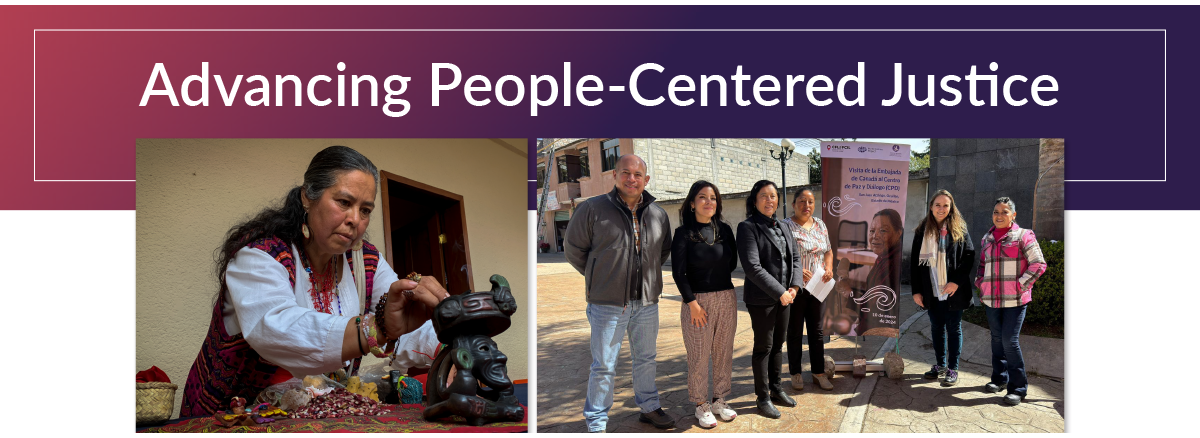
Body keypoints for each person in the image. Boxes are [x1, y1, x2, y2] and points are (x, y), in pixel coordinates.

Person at [180, 145, 450, 416]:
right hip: (231, 416)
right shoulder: (260, 255)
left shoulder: (367, 262)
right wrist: (374, 329)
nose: (355, 220)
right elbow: (276, 329)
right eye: (344, 202)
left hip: (308, 414)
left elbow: (400, 320)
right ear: (307, 197)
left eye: (365, 210)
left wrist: (451, 341)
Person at [564, 154, 675, 432]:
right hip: (608, 304)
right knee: (604, 365)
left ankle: (649, 407)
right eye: (625, 173)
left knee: (646, 358)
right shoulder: (592, 209)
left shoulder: (658, 214)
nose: (631, 179)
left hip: (647, 303)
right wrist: (600, 276)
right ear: (615, 175)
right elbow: (574, 250)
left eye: (638, 175)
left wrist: (643, 277)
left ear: (646, 180)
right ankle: (597, 421)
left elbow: (662, 252)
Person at [670, 181, 738, 428]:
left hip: (727, 298)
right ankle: (701, 404)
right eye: (702, 197)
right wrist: (692, 303)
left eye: (713, 197)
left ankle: (720, 400)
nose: (709, 202)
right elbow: (679, 273)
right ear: (692, 203)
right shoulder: (683, 234)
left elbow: (731, 264)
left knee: (723, 352)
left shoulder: (725, 230)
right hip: (697, 302)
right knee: (698, 355)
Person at [737, 180, 802, 419]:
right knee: (763, 347)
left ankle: (776, 389)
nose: (769, 200)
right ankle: (762, 397)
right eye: (764, 196)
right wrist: (780, 292)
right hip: (762, 299)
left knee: (778, 345)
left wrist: (794, 287)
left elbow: (795, 257)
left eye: (773, 196)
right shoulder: (747, 227)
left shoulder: (784, 226)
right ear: (754, 200)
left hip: (786, 297)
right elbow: (752, 267)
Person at [975, 197, 1046, 406]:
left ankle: (1018, 388)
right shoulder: (986, 238)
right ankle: (999, 379)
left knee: (1009, 341)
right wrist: (980, 282)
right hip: (991, 299)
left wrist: (1021, 284)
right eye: (996, 211)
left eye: (1004, 212)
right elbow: (981, 265)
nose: (999, 215)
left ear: (1013, 215)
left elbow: (1038, 264)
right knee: (996, 339)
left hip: (1015, 300)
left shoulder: (1024, 236)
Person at [909, 190, 975, 387]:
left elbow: (969, 256)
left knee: (953, 328)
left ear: (951, 208)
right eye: (937, 205)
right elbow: (914, 263)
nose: (941, 209)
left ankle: (953, 368)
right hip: (932, 290)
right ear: (931, 207)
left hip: (953, 290)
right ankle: (940, 365)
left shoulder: (959, 229)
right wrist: (916, 291)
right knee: (937, 328)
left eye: (945, 205)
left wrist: (956, 281)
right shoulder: (922, 231)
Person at [780, 189, 834, 392]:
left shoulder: (820, 224)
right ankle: (795, 373)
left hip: (818, 287)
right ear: (793, 204)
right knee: (794, 331)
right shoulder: (785, 225)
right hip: (796, 287)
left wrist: (829, 268)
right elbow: (780, 256)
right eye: (802, 201)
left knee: (817, 331)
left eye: (810, 201)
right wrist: (796, 270)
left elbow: (828, 250)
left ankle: (818, 372)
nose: (807, 205)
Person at [837, 208, 904, 337]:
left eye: (883, 230)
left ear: (898, 233)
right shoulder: (883, 256)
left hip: (875, 327)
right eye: (872, 231)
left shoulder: (893, 263)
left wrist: (849, 292)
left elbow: (875, 306)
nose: (875, 236)